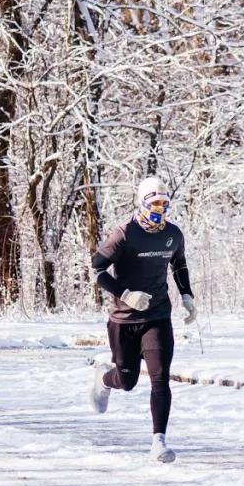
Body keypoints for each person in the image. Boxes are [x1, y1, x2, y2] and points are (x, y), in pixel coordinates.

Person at [89, 175, 197, 463]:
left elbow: (179, 263)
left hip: (158, 316)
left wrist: (187, 296)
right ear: (142, 202)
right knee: (127, 380)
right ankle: (104, 379)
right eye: (154, 202)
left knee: (160, 378)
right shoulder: (124, 234)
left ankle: (158, 442)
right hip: (124, 320)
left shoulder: (173, 234)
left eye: (164, 203)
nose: (160, 208)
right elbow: (97, 269)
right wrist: (125, 294)